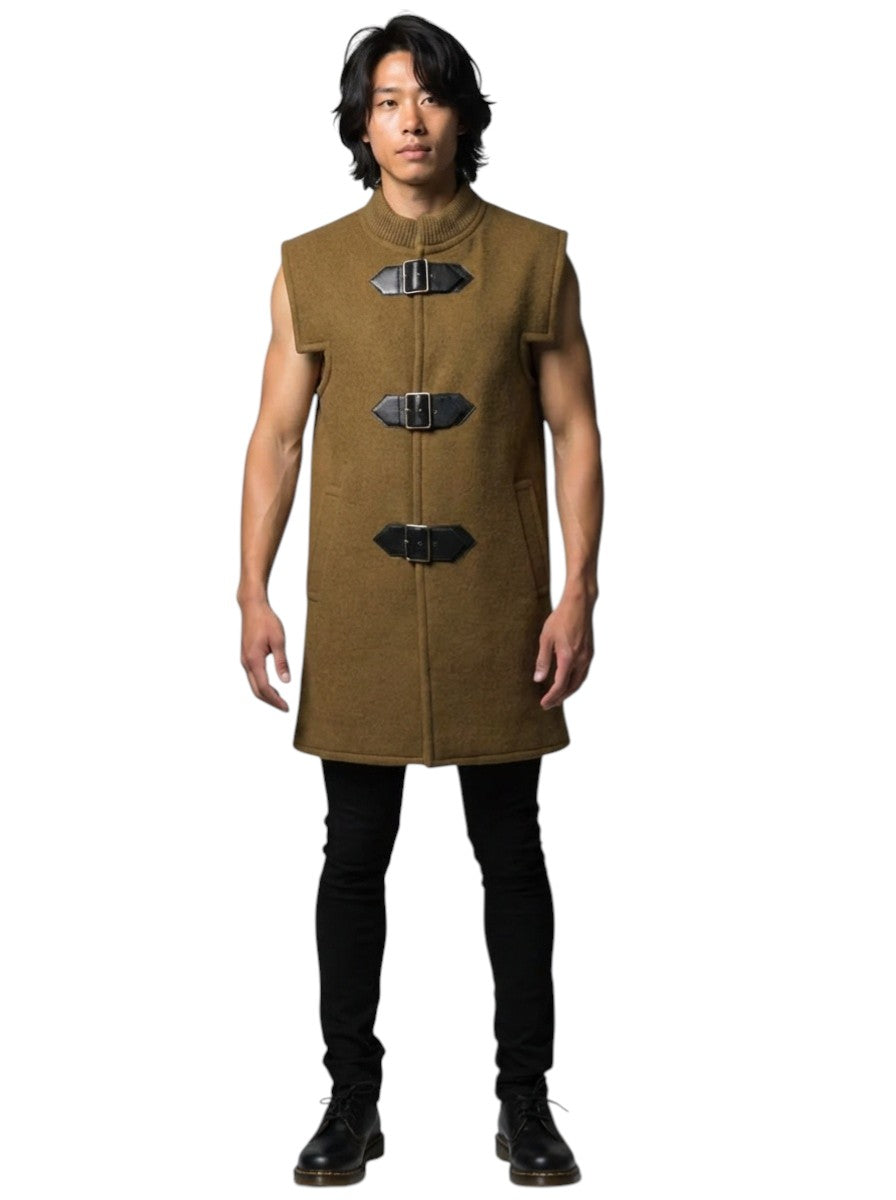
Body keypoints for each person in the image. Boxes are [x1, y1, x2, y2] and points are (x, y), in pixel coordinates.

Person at [237, 14, 603, 1188]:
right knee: (353, 855)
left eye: (429, 97)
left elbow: (575, 430)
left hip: (500, 601)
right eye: (388, 100)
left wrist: (578, 589)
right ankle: (351, 1101)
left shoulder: (534, 258)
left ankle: (524, 1104)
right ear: (360, 123)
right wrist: (250, 590)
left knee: (512, 852)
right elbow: (276, 440)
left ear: (462, 116)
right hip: (359, 603)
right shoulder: (309, 264)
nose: (410, 120)